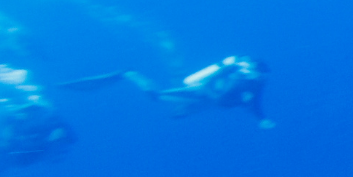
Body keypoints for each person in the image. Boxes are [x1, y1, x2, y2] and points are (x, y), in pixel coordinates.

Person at [59, 56, 274, 128]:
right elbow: (210, 85)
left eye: (259, 77)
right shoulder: (233, 71)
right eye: (256, 74)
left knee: (176, 113)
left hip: (208, 101)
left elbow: (256, 103)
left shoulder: (256, 84)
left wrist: (261, 119)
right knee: (156, 96)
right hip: (200, 93)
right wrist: (212, 97)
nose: (257, 78)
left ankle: (179, 96)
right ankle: (129, 73)